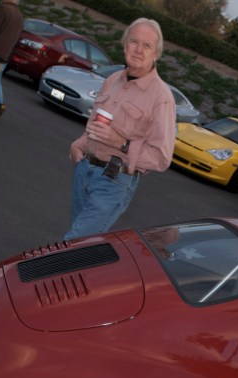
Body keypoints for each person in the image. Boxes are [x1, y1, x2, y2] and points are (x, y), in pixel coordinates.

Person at [66, 18, 176, 240]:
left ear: (156, 54)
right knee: (80, 250)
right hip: (85, 169)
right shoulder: (113, 79)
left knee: (70, 246)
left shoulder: (161, 97)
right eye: (133, 41)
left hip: (114, 182)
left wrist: (122, 144)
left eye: (147, 46)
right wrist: (81, 143)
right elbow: (95, 124)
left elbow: (161, 157)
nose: (138, 49)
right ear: (124, 44)